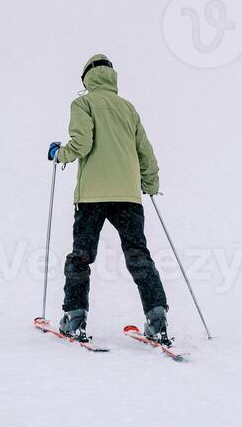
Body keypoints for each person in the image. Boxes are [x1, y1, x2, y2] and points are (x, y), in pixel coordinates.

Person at [48, 54, 170, 344]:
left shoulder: (83, 103)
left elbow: (83, 143)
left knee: (81, 257)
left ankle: (75, 317)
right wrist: (150, 184)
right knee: (138, 255)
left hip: (92, 195)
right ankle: (157, 318)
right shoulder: (128, 109)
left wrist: (58, 154)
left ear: (87, 78)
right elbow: (146, 154)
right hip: (128, 196)